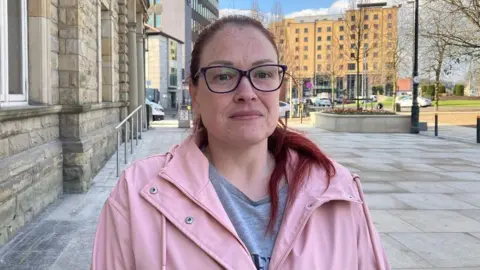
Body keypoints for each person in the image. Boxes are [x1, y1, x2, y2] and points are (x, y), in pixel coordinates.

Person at [91, 15, 390, 270]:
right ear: (194, 92)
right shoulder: (137, 194)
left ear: (279, 87)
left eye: (263, 74)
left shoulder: (336, 189)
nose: (247, 92)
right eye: (223, 76)